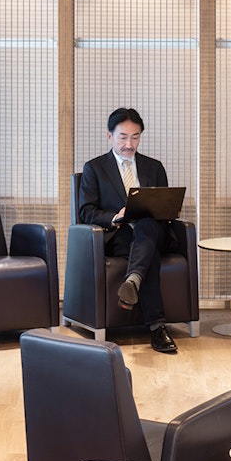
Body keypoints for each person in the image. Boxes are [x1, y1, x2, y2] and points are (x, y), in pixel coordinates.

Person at [77, 107, 181, 354]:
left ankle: (133, 280)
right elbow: (86, 211)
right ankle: (157, 328)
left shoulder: (154, 167)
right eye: (123, 136)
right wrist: (115, 216)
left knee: (147, 224)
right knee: (148, 250)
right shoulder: (95, 168)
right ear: (109, 136)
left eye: (135, 137)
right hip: (119, 236)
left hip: (154, 232)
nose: (129, 143)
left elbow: (165, 205)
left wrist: (166, 210)